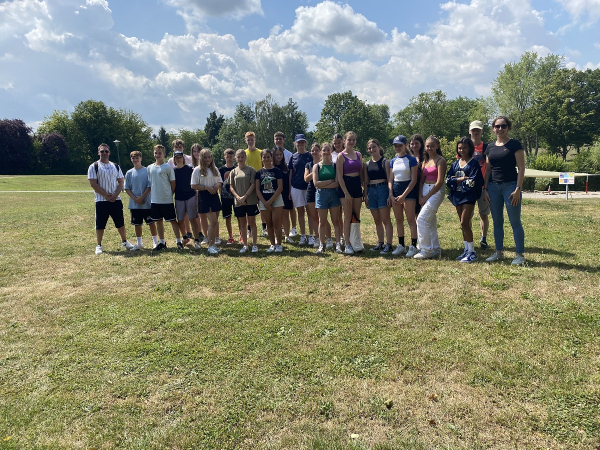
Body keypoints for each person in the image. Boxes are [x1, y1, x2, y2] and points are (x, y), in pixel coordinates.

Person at [483, 116, 526, 265]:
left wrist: (518, 189)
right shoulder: (490, 147)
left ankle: (520, 255)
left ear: (508, 127)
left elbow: (521, 168)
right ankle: (498, 252)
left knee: (515, 222)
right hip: (493, 187)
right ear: (493, 128)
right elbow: (488, 170)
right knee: (497, 222)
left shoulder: (515, 144)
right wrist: (485, 189)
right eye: (497, 126)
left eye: (503, 126)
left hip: (511, 187)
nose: (500, 129)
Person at [88, 143, 134, 254]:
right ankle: (99, 245)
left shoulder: (115, 166)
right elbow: (93, 183)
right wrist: (106, 195)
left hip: (116, 200)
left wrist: (115, 195)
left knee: (120, 222)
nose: (104, 153)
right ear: (98, 152)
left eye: (106, 151)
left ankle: (124, 241)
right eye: (102, 151)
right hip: (101, 200)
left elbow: (121, 181)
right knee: (100, 224)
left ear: (109, 153)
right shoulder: (94, 166)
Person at [446, 137, 484, 262]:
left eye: (464, 148)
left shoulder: (473, 163)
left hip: (469, 196)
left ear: (470, 149)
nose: (462, 150)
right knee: (463, 225)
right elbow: (448, 180)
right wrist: (461, 179)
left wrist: (455, 181)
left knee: (464, 222)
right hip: (457, 196)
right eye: (460, 148)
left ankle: (472, 252)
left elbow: (473, 181)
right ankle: (466, 250)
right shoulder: (455, 163)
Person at [415, 136, 447, 259]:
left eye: (432, 146)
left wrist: (427, 196)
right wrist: (420, 196)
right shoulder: (425, 161)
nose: (429, 148)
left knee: (422, 220)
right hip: (424, 190)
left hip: (436, 191)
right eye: (427, 146)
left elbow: (439, 182)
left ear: (437, 146)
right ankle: (435, 249)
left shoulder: (441, 161)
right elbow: (421, 181)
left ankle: (425, 250)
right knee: (430, 221)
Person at [147, 144, 182, 251]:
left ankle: (178, 241)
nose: (157, 155)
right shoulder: (149, 168)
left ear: (164, 154)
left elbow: (173, 183)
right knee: (158, 221)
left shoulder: (168, 167)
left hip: (167, 200)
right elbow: (150, 183)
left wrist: (169, 194)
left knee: (172, 221)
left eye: (160, 153)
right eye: (156, 153)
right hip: (155, 200)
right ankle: (162, 242)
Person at [389, 135, 419, 257]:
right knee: (399, 220)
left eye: (400, 145)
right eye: (395, 145)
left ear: (405, 145)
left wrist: (403, 195)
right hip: (396, 191)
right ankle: (401, 245)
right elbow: (391, 179)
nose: (397, 148)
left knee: (411, 220)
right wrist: (391, 194)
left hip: (408, 191)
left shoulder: (411, 160)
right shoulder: (392, 161)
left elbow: (414, 180)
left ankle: (413, 246)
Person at [123, 150, 158, 251]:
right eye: (133, 158)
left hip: (147, 203)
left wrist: (142, 197)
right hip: (134, 204)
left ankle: (155, 242)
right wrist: (135, 199)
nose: (135, 160)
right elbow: (127, 188)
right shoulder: (129, 173)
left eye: (137, 158)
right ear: (131, 159)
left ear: (141, 159)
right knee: (137, 224)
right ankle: (139, 243)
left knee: (151, 223)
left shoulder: (147, 171)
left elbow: (149, 186)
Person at [336, 131, 364, 255]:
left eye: (353, 140)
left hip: (357, 184)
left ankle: (356, 242)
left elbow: (361, 173)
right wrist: (346, 193)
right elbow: (340, 177)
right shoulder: (341, 156)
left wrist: (363, 188)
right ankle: (347, 244)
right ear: (344, 141)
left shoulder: (358, 154)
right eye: (349, 140)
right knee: (347, 216)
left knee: (356, 216)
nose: (351, 142)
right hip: (346, 186)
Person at [364, 139, 393, 254]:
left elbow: (390, 179)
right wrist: (365, 195)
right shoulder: (366, 164)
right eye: (370, 148)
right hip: (371, 191)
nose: (372, 149)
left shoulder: (385, 162)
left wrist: (389, 195)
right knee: (377, 220)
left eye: (374, 147)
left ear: (378, 147)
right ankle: (380, 243)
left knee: (386, 219)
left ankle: (389, 244)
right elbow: (366, 181)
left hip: (383, 189)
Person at [191, 149, 223, 255]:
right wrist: (206, 187)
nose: (208, 159)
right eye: (205, 157)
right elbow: (193, 185)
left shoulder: (215, 169)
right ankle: (210, 246)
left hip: (214, 196)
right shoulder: (197, 170)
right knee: (213, 221)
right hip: (204, 196)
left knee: (214, 223)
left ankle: (213, 244)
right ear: (201, 158)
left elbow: (220, 181)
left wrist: (217, 185)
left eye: (210, 157)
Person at [313, 142, 341, 253]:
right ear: (321, 152)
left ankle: (338, 244)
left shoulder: (335, 165)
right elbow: (316, 183)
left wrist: (323, 183)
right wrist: (330, 181)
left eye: (328, 150)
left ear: (331, 152)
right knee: (322, 221)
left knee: (336, 221)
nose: (325, 152)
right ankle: (322, 244)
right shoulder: (316, 166)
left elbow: (337, 183)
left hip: (334, 195)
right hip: (321, 196)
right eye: (324, 150)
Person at [229, 150, 259, 253]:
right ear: (236, 158)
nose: (240, 159)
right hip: (238, 202)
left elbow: (253, 184)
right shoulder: (233, 171)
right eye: (238, 157)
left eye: (242, 157)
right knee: (242, 224)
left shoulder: (251, 170)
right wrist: (238, 197)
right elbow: (231, 186)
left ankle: (254, 245)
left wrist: (245, 197)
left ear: (245, 157)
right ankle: (245, 245)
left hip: (250, 200)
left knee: (252, 223)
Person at [255, 149, 284, 253]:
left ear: (271, 158)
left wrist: (271, 200)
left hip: (276, 200)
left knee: (277, 223)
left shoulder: (277, 171)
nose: (266, 159)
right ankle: (272, 245)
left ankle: (279, 245)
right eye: (264, 157)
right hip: (264, 201)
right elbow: (257, 189)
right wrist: (264, 202)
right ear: (261, 159)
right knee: (269, 224)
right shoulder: (259, 172)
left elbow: (280, 187)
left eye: (268, 157)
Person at [468, 120, 491, 249]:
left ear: (481, 131)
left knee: (484, 214)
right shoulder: (465, 146)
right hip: (469, 187)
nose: (475, 132)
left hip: (482, 187)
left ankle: (483, 239)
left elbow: (488, 169)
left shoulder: (486, 147)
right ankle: (469, 238)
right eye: (473, 129)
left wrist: (487, 186)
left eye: (478, 129)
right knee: (468, 216)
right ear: (469, 131)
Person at [172, 151, 202, 249]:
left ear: (183, 159)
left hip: (190, 196)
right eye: (176, 157)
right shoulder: (173, 171)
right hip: (179, 197)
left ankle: (196, 240)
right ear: (174, 160)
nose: (179, 159)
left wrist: (197, 196)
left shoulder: (190, 169)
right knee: (180, 220)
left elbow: (195, 182)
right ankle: (185, 237)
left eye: (180, 157)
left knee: (192, 219)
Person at [288, 134, 313, 245]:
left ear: (305, 143)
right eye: (298, 142)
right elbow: (290, 174)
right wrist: (289, 190)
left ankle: (311, 235)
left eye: (302, 142)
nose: (300, 144)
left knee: (311, 213)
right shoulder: (293, 157)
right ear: (295, 143)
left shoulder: (310, 155)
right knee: (300, 212)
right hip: (296, 188)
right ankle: (303, 235)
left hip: (308, 188)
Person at [168, 139, 193, 240]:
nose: (178, 148)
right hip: (178, 191)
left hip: (189, 190)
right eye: (176, 147)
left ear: (183, 148)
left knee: (192, 214)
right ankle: (187, 232)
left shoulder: (189, 158)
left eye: (180, 147)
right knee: (182, 215)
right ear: (173, 149)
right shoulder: (170, 161)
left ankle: (195, 232)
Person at [274, 131, 297, 238]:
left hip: (287, 190)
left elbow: (290, 175)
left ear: (283, 140)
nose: (278, 140)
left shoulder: (290, 154)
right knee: (277, 214)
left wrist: (290, 191)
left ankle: (293, 228)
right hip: (275, 192)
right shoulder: (271, 154)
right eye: (276, 138)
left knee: (289, 210)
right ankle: (279, 231)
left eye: (280, 138)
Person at [304, 143, 322, 247]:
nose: (314, 152)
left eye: (316, 150)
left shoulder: (325, 163)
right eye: (313, 150)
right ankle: (318, 237)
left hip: (322, 191)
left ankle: (327, 238)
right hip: (311, 191)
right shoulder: (308, 165)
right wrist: (315, 169)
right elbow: (306, 179)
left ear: (320, 151)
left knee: (322, 217)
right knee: (314, 216)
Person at [191, 143, 208, 243]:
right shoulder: (190, 166)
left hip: (203, 192)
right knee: (198, 214)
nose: (196, 153)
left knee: (206, 214)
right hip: (193, 193)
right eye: (194, 151)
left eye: (198, 151)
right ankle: (200, 232)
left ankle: (208, 233)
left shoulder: (207, 164)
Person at [218, 149, 236, 245]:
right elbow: (219, 183)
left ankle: (242, 235)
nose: (229, 158)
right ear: (224, 157)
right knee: (227, 217)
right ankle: (230, 236)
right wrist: (220, 194)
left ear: (234, 157)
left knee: (239, 216)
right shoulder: (220, 170)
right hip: (225, 196)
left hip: (236, 196)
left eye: (231, 156)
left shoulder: (236, 168)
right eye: (227, 156)